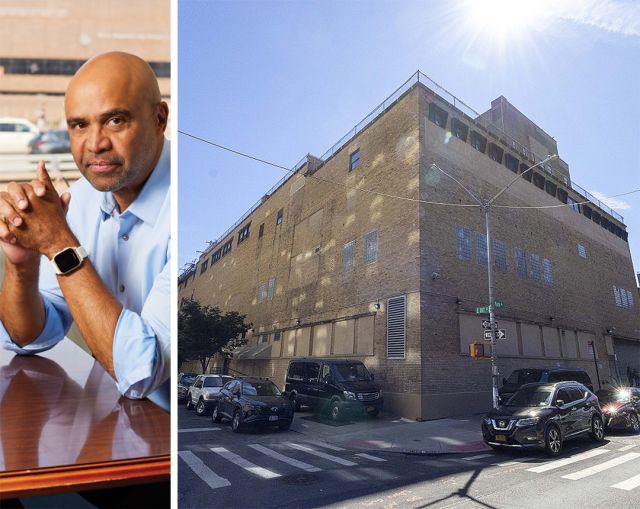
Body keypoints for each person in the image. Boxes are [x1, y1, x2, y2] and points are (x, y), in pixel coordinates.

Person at [0, 52, 170, 406]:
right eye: (79, 125)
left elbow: (141, 372)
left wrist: (60, 245)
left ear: (159, 118)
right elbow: (29, 336)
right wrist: (23, 264)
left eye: (115, 121)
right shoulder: (80, 200)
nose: (95, 144)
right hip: (114, 419)